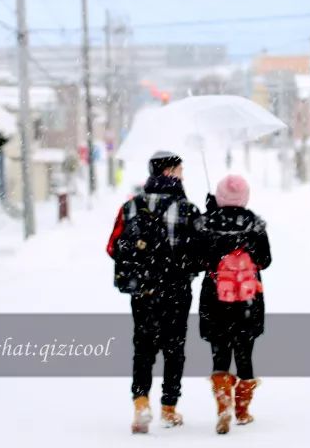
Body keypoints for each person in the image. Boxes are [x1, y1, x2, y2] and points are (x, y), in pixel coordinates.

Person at [106, 150, 204, 434]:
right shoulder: (188, 209)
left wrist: (143, 265)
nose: (182, 174)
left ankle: (140, 404)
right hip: (177, 288)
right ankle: (169, 408)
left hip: (143, 289)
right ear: (170, 172)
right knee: (174, 347)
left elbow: (113, 247)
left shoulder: (131, 207)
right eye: (180, 169)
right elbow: (201, 253)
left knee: (143, 346)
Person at [198, 174, 272, 435]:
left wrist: (210, 218)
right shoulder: (254, 223)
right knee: (244, 353)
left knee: (220, 353)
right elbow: (265, 260)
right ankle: (242, 410)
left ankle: (222, 407)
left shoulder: (207, 223)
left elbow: (198, 260)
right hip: (247, 299)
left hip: (216, 297)